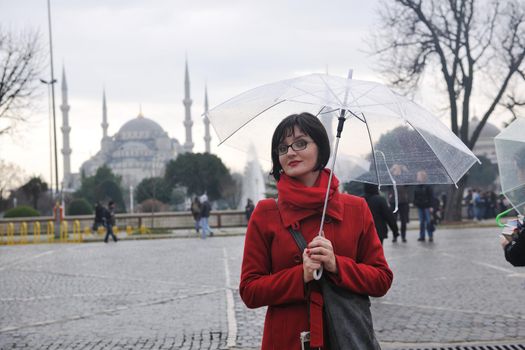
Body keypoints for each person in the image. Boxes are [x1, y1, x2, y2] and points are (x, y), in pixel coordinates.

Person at [239, 112, 393, 349]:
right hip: (287, 341)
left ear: (320, 147)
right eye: (282, 148)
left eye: (301, 143)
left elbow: (381, 280)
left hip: (344, 338)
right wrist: (300, 276)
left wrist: (336, 265)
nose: (290, 152)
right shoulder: (266, 213)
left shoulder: (356, 209)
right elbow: (250, 290)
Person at [413, 170, 435, 242]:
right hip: (420, 206)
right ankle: (422, 236)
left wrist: (431, 206)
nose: (417, 177)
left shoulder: (428, 186)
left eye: (418, 176)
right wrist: (415, 203)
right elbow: (415, 196)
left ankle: (430, 235)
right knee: (422, 222)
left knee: (428, 222)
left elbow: (431, 196)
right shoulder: (417, 186)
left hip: (427, 206)